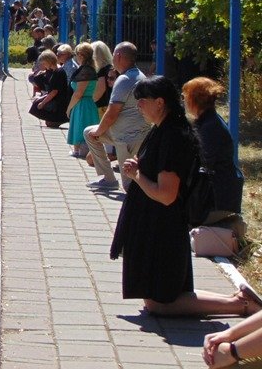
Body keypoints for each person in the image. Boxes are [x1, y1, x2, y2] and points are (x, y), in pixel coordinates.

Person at [109, 76, 257, 319]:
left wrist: (137, 176)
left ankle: (241, 306)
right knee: (160, 298)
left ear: (159, 102)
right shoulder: (166, 129)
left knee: (161, 302)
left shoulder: (172, 135)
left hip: (163, 227)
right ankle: (239, 302)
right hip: (160, 225)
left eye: (141, 102)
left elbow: (166, 195)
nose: (138, 107)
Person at [85, 42, 151, 192]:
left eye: (114, 54)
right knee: (88, 132)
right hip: (137, 134)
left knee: (129, 187)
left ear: (118, 56)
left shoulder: (124, 80)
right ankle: (107, 178)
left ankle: (111, 181)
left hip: (125, 138)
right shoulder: (140, 75)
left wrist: (98, 132)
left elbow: (112, 113)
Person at [184, 77, 243, 222]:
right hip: (218, 192)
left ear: (194, 99)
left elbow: (203, 161)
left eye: (185, 97)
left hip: (217, 196)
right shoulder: (209, 121)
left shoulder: (210, 127)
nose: (184, 101)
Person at [64, 43, 98, 157]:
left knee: (81, 125)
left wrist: (69, 108)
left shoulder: (86, 71)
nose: (75, 57)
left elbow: (78, 93)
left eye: (76, 54)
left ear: (81, 55)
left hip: (83, 103)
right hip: (87, 103)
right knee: (83, 124)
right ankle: (79, 150)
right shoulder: (88, 69)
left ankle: (79, 150)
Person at [28, 50, 71, 128]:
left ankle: (60, 119)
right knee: (37, 106)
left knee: (37, 106)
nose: (43, 65)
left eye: (44, 63)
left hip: (59, 101)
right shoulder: (53, 70)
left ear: (49, 61)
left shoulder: (59, 72)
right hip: (56, 98)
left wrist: (43, 102)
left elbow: (54, 91)